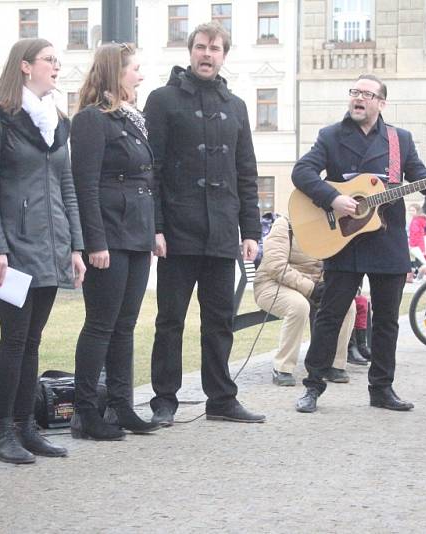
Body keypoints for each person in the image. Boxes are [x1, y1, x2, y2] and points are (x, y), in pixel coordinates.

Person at [292, 73, 426, 414]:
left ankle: (382, 388)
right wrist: (333, 198)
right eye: (354, 92)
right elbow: (302, 172)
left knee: (386, 321)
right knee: (330, 316)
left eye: (366, 94)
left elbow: (420, 175)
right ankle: (313, 386)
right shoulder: (331, 136)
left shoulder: (399, 139)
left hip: (386, 239)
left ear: (381, 102)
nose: (358, 99)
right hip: (343, 240)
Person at [0, 38, 86, 463]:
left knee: (33, 341)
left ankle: (26, 427)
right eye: (49, 60)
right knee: (14, 339)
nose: (57, 67)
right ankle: (2, 433)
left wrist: (76, 245)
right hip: (13, 249)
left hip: (51, 245)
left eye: (58, 60)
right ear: (24, 67)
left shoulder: (58, 122)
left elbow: (66, 186)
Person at [144, 22, 265, 425]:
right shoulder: (162, 100)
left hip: (221, 232)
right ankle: (164, 399)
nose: (206, 54)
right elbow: (152, 170)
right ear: (190, 51)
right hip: (177, 231)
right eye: (200, 47)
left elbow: (245, 172)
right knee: (170, 320)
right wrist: (155, 226)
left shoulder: (236, 106)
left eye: (214, 48)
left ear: (224, 55)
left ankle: (221, 398)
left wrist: (250, 231)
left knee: (218, 321)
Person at [69, 42, 160, 440]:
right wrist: (95, 242)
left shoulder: (133, 119)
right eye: (135, 69)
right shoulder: (92, 120)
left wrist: (155, 230)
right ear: (115, 73)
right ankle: (87, 412)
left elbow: (147, 181)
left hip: (137, 232)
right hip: (109, 232)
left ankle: (122, 405)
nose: (140, 76)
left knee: (125, 325)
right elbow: (84, 185)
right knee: (101, 325)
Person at [254, 216, 359, 386]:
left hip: (311, 288)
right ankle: (282, 367)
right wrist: (311, 288)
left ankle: (334, 364)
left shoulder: (328, 226)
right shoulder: (285, 224)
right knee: (298, 306)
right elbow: (276, 266)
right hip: (272, 285)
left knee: (347, 305)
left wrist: (329, 286)